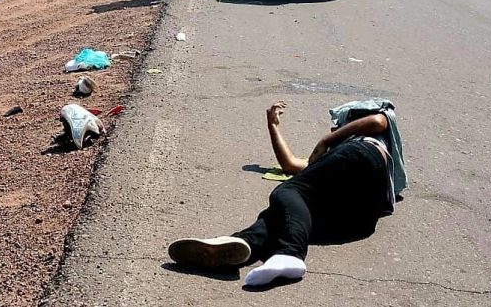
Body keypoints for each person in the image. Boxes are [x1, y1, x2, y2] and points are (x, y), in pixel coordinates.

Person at [168, 99, 407, 287]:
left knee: (287, 190)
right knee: (285, 213)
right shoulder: (331, 161)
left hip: (364, 159)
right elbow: (292, 165)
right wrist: (273, 126)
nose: (334, 127)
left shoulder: (362, 138)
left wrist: (327, 139)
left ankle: (290, 253)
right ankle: (244, 243)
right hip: (358, 218)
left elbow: (378, 120)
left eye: (338, 124)